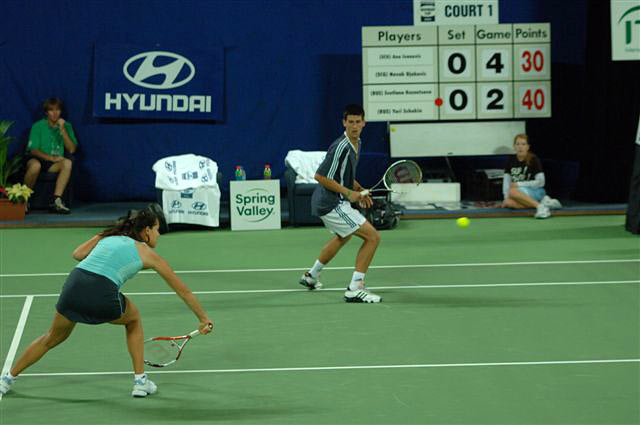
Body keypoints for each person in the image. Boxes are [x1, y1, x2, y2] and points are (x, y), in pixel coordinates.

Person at [0, 207, 214, 398]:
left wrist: (104, 234)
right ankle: (140, 382)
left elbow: (78, 254)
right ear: (147, 230)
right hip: (101, 293)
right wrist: (203, 319)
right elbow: (182, 290)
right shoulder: (149, 254)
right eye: (157, 230)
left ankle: (7, 379)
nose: (159, 235)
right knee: (133, 319)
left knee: (51, 338)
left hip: (73, 285)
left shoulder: (108, 238)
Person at [298, 104, 382, 303]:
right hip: (330, 203)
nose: (354, 126)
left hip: (331, 200)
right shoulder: (341, 146)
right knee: (372, 237)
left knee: (343, 236)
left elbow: (344, 175)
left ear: (364, 123)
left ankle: (311, 276)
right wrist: (348, 194)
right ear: (344, 122)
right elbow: (320, 175)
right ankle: (355, 287)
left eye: (358, 122)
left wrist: (358, 191)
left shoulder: (357, 143)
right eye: (350, 122)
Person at [24, 97, 77, 214]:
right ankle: (24, 200)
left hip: (54, 163)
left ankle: (56, 201)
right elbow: (33, 150)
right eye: (51, 110)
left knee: (67, 163)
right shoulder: (38, 126)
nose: (55, 113)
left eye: (57, 110)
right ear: (46, 112)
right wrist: (51, 158)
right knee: (35, 166)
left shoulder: (67, 126)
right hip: (37, 158)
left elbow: (72, 149)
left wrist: (62, 130)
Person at [501, 133, 562, 219]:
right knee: (508, 202)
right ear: (514, 146)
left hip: (536, 191)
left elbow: (541, 182)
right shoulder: (510, 160)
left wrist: (519, 184)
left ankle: (540, 207)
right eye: (517, 144)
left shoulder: (533, 159)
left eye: (523, 144)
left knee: (512, 191)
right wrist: (505, 197)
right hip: (519, 193)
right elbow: (506, 181)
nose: (520, 147)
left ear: (528, 147)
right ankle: (544, 204)